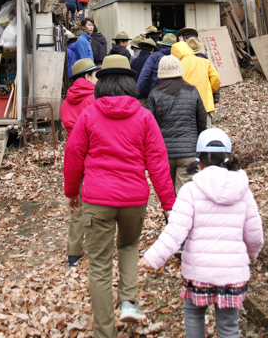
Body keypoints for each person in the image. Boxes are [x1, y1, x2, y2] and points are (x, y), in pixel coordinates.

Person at [64, 55, 176, 338]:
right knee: (128, 246)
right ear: (129, 82)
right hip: (134, 199)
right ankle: (128, 300)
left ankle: (104, 332)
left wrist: (71, 191)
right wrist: (168, 205)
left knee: (100, 266)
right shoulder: (144, 116)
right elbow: (158, 162)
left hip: (96, 199)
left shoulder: (89, 114)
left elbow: (74, 155)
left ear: (101, 84)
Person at [139, 128, 264, 338]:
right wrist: (251, 254)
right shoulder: (243, 190)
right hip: (232, 275)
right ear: (229, 158)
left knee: (193, 314)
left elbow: (175, 231)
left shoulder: (190, 190)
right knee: (229, 327)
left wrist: (152, 258)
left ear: (199, 162)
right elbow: (254, 233)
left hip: (199, 274)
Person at [146, 55, 206, 195]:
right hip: (189, 153)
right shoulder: (192, 91)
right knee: (184, 196)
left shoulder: (154, 94)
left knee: (169, 196)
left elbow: (149, 127)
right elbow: (201, 123)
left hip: (164, 153)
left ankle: (170, 217)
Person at [61, 58, 99, 266]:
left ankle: (74, 252)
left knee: (77, 205)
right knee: (100, 204)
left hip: (74, 156)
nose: (97, 79)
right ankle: (97, 248)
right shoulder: (94, 98)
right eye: (95, 75)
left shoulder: (65, 103)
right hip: (94, 155)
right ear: (86, 76)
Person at [171, 42, 220, 128]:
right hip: (205, 103)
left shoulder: (177, 66)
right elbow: (216, 78)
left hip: (185, 106)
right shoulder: (205, 61)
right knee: (205, 133)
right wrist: (210, 90)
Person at [137, 32, 176, 100]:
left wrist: (136, 92)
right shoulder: (177, 57)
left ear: (162, 45)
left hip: (156, 94)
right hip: (173, 94)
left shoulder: (154, 56)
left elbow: (144, 74)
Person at [187, 37, 221, 106]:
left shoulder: (183, 63)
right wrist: (210, 90)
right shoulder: (206, 62)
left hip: (188, 100)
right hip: (205, 99)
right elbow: (216, 78)